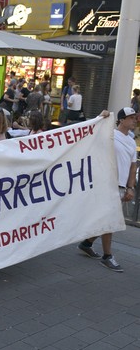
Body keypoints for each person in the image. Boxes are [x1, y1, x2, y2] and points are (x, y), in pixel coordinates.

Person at [77, 108, 136, 272]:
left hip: (121, 186)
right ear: (122, 120)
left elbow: (132, 167)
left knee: (106, 219)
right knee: (110, 220)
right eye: (131, 118)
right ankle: (107, 256)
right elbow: (92, 133)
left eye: (135, 118)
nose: (135, 120)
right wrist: (99, 117)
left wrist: (130, 187)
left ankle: (87, 243)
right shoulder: (110, 134)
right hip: (107, 184)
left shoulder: (131, 142)